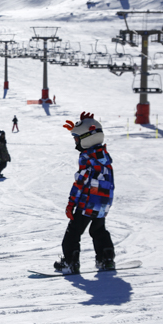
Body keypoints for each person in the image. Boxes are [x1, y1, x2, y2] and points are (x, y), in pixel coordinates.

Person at [54, 111, 116, 274]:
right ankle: (106, 259)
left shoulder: (87, 158)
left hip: (87, 204)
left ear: (86, 139)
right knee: (98, 230)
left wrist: (71, 204)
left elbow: (80, 183)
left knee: (73, 233)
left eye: (76, 138)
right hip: (102, 203)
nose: (75, 142)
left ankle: (70, 263)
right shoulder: (104, 156)